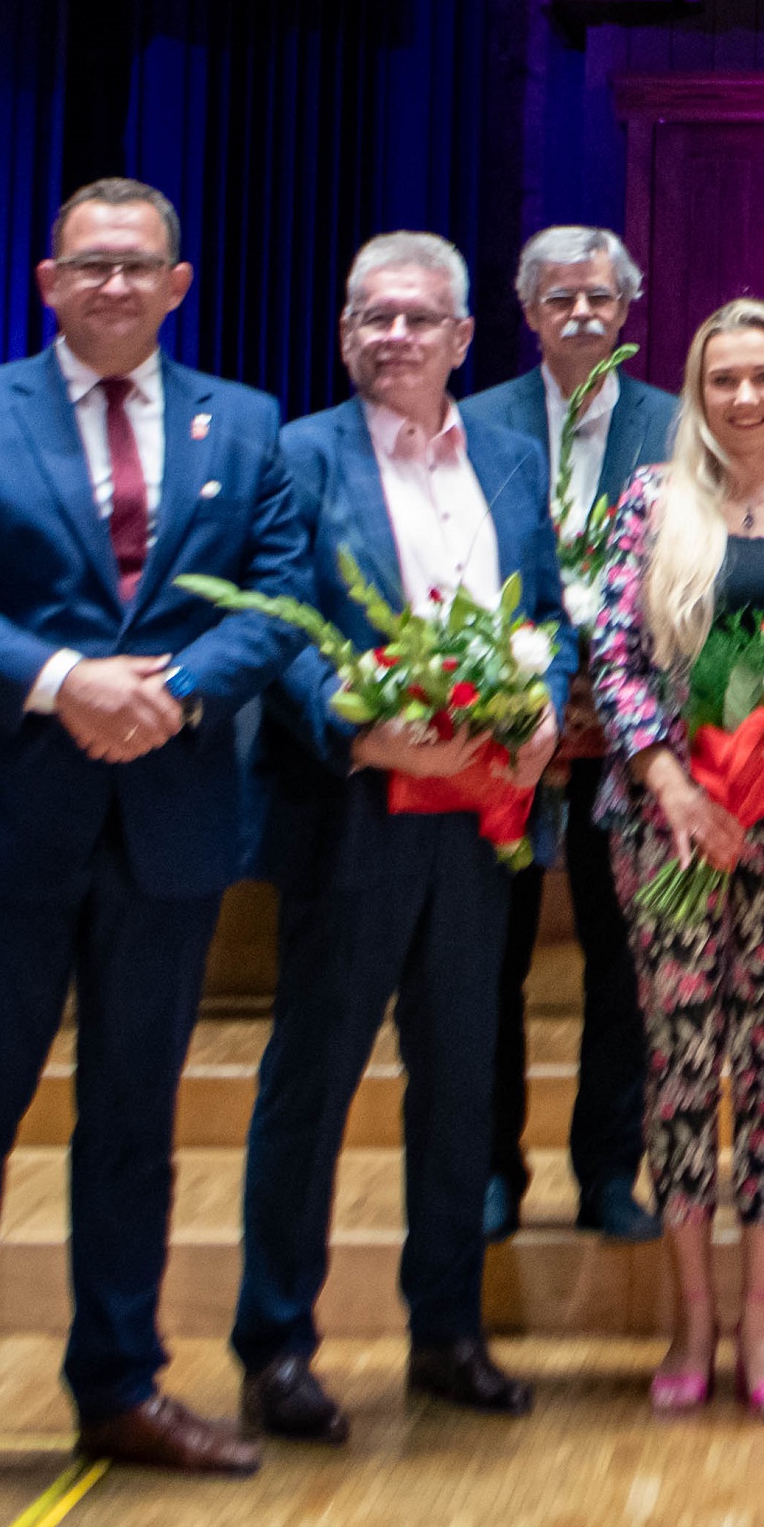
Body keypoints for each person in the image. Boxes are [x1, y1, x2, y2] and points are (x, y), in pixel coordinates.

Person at [0, 181, 305, 1514]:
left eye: (139, 266)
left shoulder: (249, 421)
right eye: (90, 266)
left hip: (167, 827)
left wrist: (167, 693)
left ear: (180, 285)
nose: (114, 286)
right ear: (47, 282)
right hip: (7, 827)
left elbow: (277, 596)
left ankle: (119, 1387)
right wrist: (66, 682)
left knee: (132, 1129)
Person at [229, 232, 552, 1442]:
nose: (395, 336)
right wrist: (363, 734)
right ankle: (277, 1346)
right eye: (373, 317)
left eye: (420, 319)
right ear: (346, 330)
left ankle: (449, 1333)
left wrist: (548, 708)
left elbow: (553, 621)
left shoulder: (512, 465)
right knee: (309, 1085)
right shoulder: (294, 457)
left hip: (477, 824)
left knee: (461, 1087)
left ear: (464, 338)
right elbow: (276, 627)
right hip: (349, 813)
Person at [572, 298, 764, 1419]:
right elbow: (614, 656)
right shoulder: (650, 501)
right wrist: (672, 785)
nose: (743, 396)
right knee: (685, 1065)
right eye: (721, 379)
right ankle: (692, 1317)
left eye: (762, 375)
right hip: (670, 824)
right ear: (697, 394)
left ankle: (763, 1322)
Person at [469, 228, 676, 1245]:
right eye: (562, 299)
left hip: (630, 742)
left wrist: (618, 693)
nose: (583, 314)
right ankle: (490, 1169)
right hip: (501, 741)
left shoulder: (678, 426)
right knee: (488, 959)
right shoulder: (472, 423)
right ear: (529, 310)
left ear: (627, 307)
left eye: (600, 297)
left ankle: (608, 1172)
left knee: (624, 962)